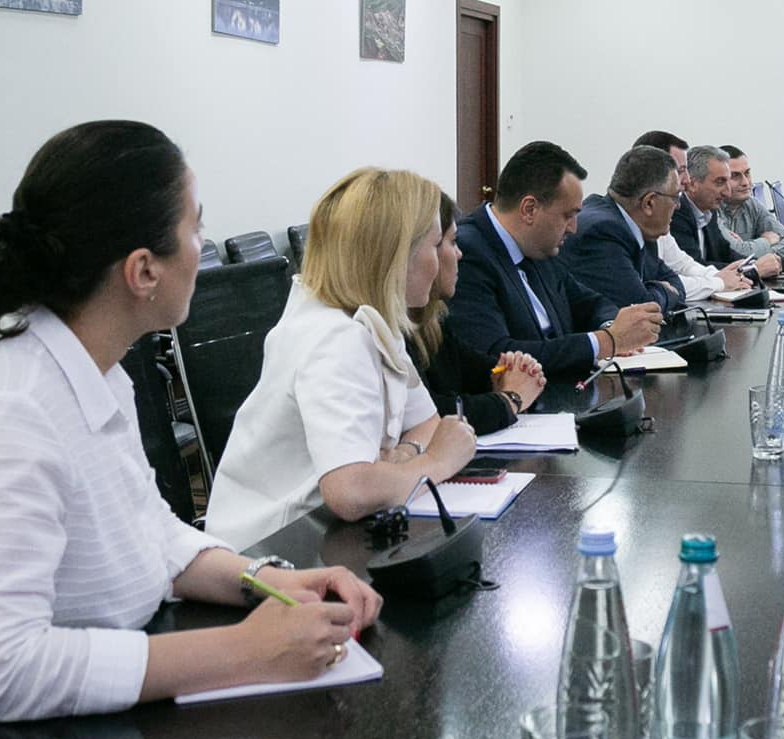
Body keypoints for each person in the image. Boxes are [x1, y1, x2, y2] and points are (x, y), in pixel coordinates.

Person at [0, 121, 380, 739]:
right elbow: (1, 668)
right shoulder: (9, 408)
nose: (203, 246)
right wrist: (247, 651)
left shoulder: (93, 368)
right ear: (143, 271)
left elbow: (151, 531)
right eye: (196, 228)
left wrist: (270, 581)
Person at [206, 169, 479, 547]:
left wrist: (403, 456)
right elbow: (352, 492)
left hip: (323, 534)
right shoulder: (336, 338)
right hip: (273, 546)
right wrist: (436, 462)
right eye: (435, 245)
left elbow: (428, 424)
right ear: (396, 255)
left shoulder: (373, 319)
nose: (443, 259)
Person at [448, 140, 663, 376]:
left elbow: (590, 304)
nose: (573, 228)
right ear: (529, 209)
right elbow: (497, 356)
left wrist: (613, 328)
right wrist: (606, 342)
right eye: (567, 216)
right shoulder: (467, 253)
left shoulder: (538, 247)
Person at [411, 191, 547, 436]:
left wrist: (508, 373)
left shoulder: (430, 320)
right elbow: (430, 414)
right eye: (452, 242)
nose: (460, 254)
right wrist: (511, 399)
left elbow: (477, 369)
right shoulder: (386, 330)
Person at [564, 145, 690, 313]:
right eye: (675, 197)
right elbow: (641, 308)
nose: (678, 206)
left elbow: (675, 282)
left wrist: (655, 291)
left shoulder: (639, 227)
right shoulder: (602, 232)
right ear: (649, 203)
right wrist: (665, 292)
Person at [633, 130, 752, 299]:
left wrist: (722, 278)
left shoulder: (659, 218)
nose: (687, 180)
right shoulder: (612, 226)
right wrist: (720, 283)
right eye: (681, 170)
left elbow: (683, 265)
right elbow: (652, 286)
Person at [673, 144, 783, 279]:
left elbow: (727, 255)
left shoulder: (708, 211)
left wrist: (774, 264)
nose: (727, 192)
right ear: (692, 184)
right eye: (720, 182)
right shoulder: (676, 215)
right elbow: (694, 269)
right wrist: (753, 269)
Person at [717, 144, 784, 258]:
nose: (745, 182)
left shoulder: (751, 204)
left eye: (747, 173)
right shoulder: (710, 210)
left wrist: (754, 250)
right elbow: (736, 253)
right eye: (735, 176)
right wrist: (766, 241)